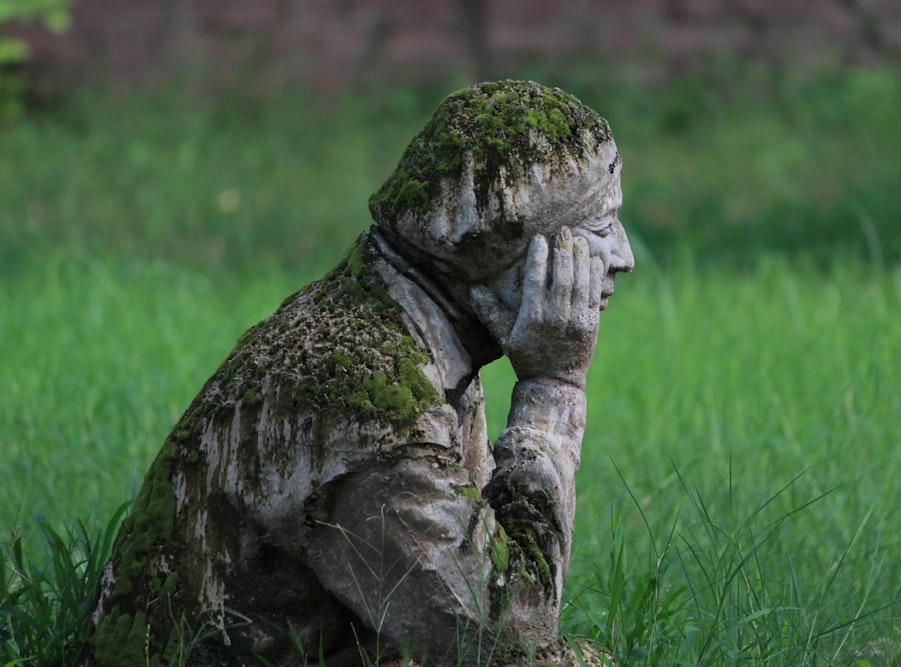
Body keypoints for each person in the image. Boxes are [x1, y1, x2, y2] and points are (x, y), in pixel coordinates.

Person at [88, 80, 634, 667]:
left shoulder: (401, 326)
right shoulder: (369, 409)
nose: (623, 257)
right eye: (599, 231)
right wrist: (553, 389)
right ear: (505, 250)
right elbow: (506, 638)